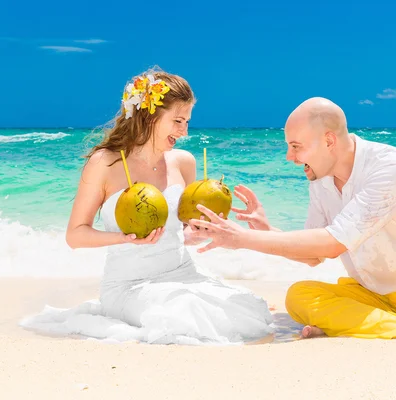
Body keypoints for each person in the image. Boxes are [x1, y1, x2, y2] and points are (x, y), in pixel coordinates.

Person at [188, 97, 396, 352]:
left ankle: (363, 323)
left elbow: (333, 242)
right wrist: (266, 232)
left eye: (296, 146)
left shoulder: (391, 168)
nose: (289, 157)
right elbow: (314, 255)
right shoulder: (321, 179)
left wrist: (240, 239)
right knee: (299, 296)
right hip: (367, 293)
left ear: (328, 140)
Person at [20, 67, 274, 345]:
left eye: (187, 122)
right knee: (185, 317)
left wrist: (202, 232)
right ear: (150, 114)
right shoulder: (105, 163)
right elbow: (75, 235)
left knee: (241, 311)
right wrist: (124, 238)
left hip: (184, 274)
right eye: (178, 120)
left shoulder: (184, 162)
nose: (185, 131)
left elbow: (178, 232)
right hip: (128, 285)